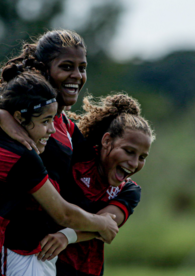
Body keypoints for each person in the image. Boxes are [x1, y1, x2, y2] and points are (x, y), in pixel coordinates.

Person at [0, 30, 136, 275]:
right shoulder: (19, 104)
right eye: (67, 66)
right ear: (44, 68)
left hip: (39, 251)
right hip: (9, 248)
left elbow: (97, 170)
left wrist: (128, 196)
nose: (77, 76)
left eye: (82, 67)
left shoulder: (65, 127)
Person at [36, 94, 155, 276]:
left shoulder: (129, 190)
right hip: (45, 261)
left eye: (142, 157)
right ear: (107, 141)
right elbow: (100, 225)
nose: (134, 163)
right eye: (129, 151)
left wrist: (66, 236)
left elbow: (107, 225)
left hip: (88, 270)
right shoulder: (77, 155)